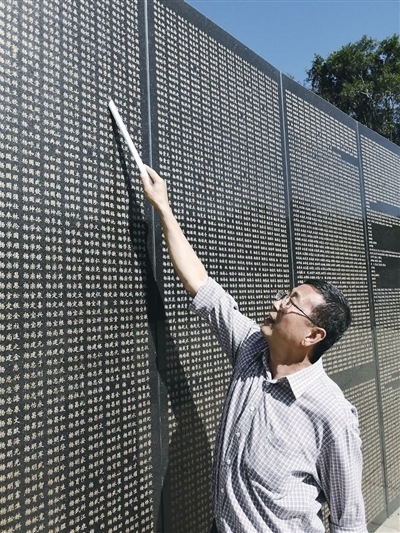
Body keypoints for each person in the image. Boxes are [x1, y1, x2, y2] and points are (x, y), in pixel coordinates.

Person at [140, 165, 367, 533]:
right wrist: (163, 208)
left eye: (291, 303)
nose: (276, 303)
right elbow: (203, 286)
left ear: (313, 336)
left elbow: (349, 522)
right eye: (284, 294)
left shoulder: (332, 414)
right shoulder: (251, 348)